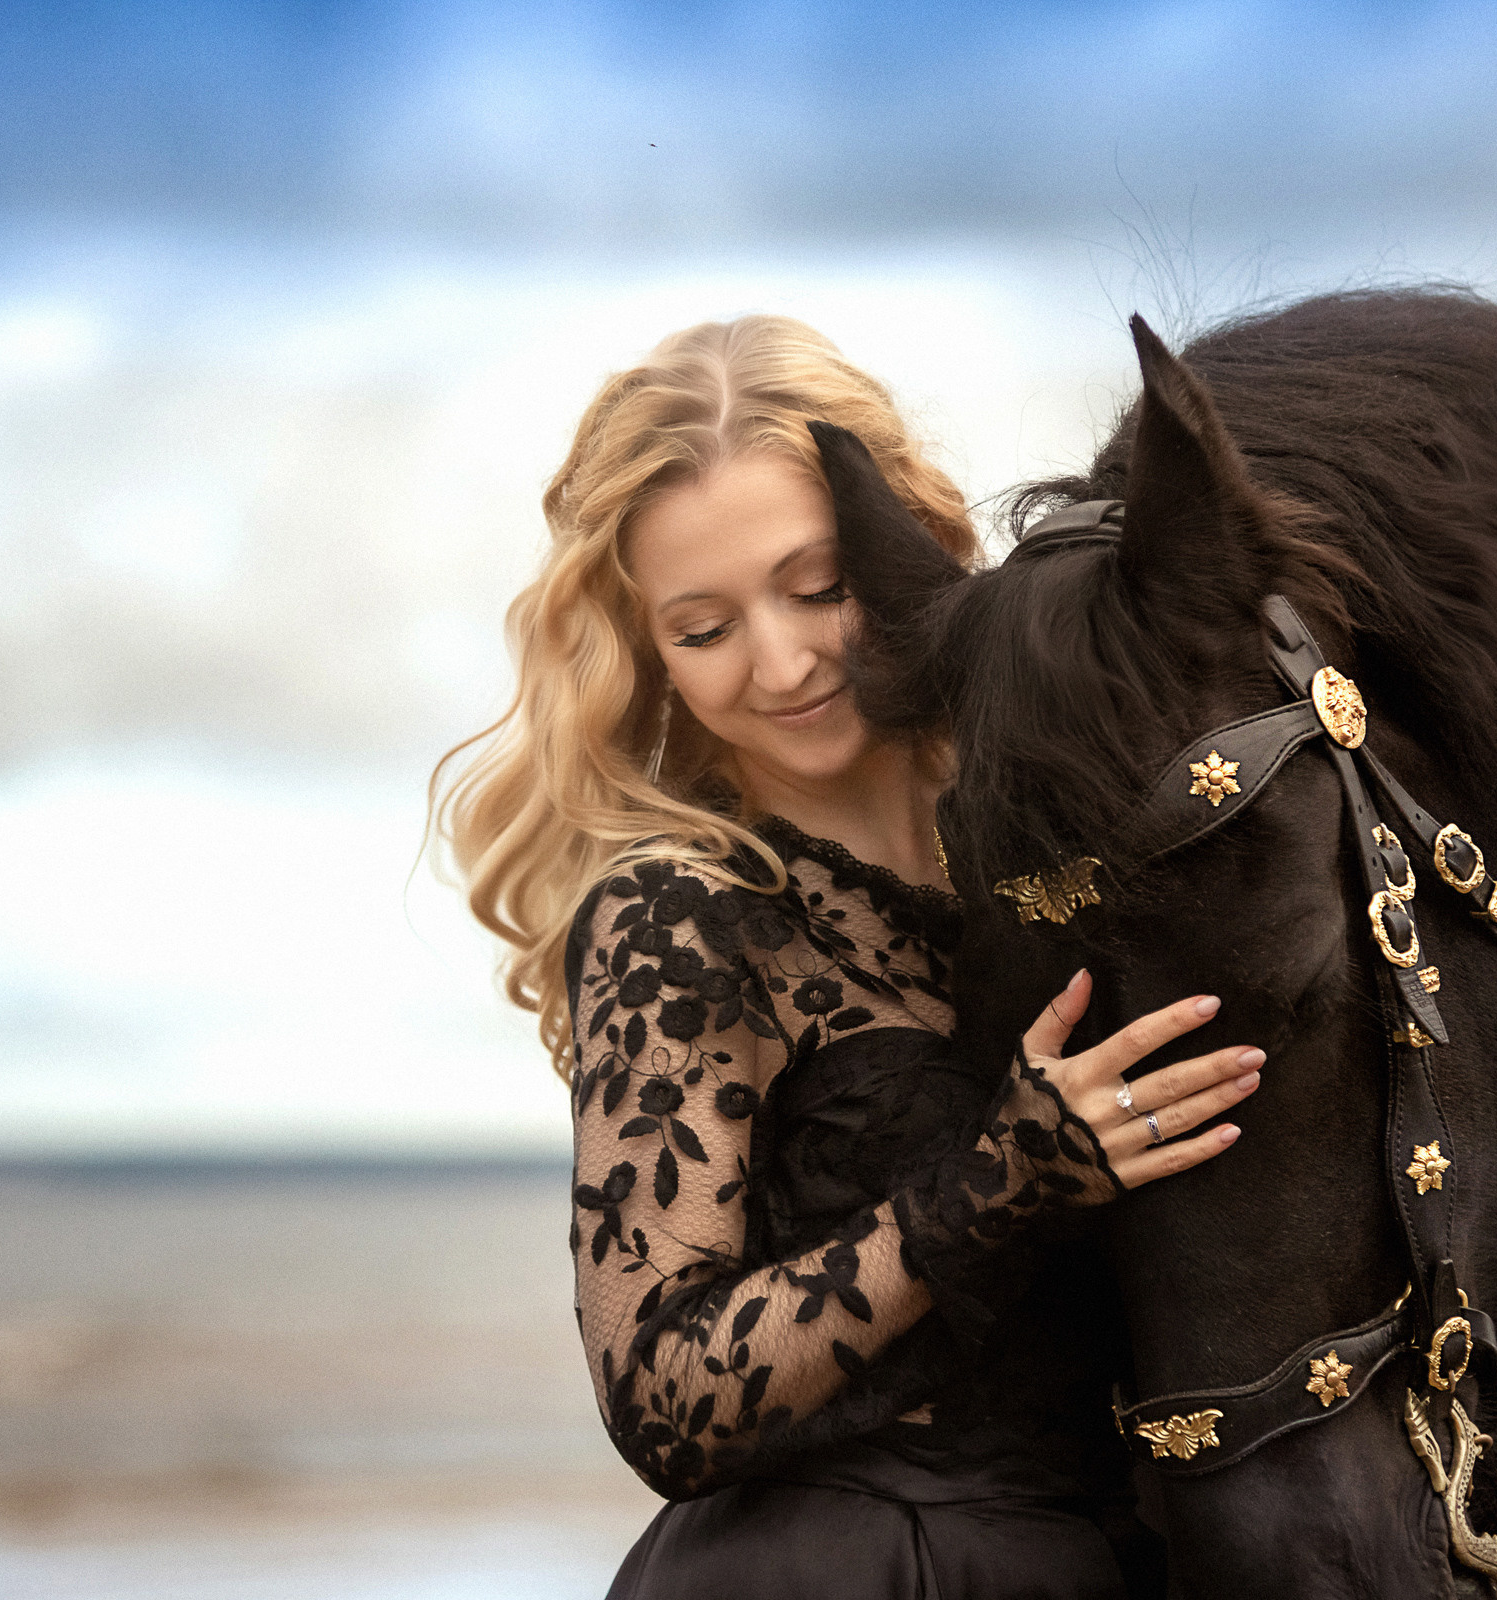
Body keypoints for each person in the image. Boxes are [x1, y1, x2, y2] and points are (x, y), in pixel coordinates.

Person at [435, 315, 1269, 1599]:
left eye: (816, 586)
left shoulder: (1056, 832)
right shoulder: (681, 915)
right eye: (702, 629)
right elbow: (661, 1394)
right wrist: (1003, 1176)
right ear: (645, 652)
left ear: (909, 539)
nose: (782, 663)